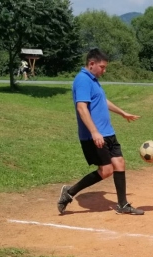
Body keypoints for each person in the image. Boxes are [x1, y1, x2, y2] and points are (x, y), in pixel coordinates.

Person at [57, 48, 144, 215]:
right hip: (94, 135)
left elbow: (102, 100)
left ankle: (123, 205)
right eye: (102, 67)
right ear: (91, 64)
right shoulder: (82, 80)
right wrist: (95, 132)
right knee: (106, 171)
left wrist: (122, 112)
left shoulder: (93, 80)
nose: (104, 71)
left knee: (119, 163)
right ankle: (70, 192)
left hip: (107, 132)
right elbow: (82, 108)